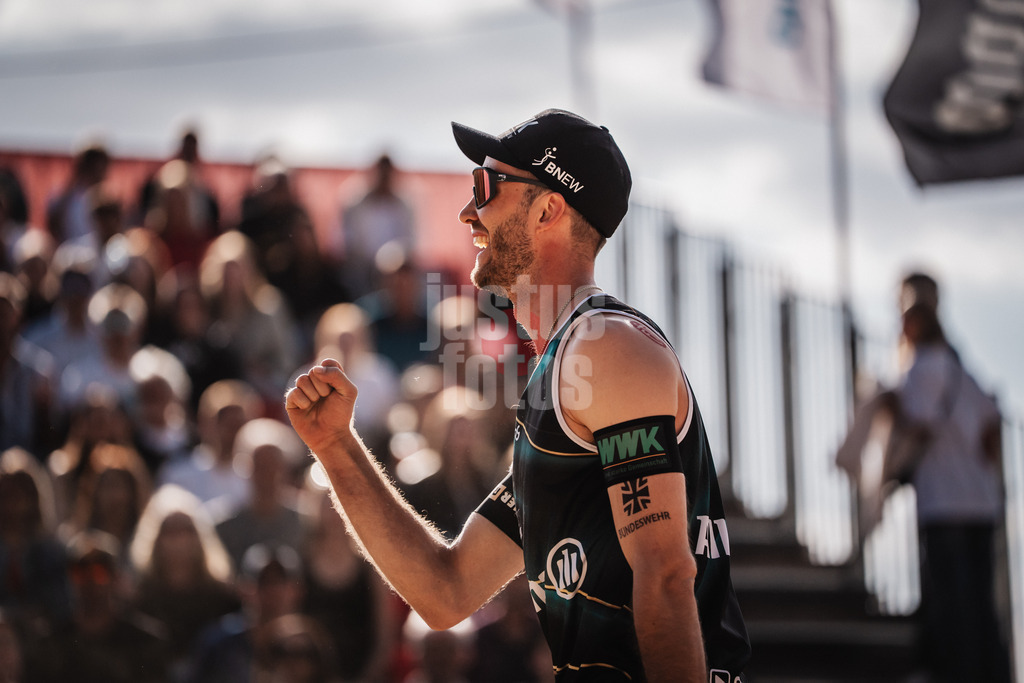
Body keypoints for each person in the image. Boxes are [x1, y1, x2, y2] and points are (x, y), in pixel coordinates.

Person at [287, 109, 750, 682]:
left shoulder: (606, 347)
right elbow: (445, 591)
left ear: (548, 209)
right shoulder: (567, 370)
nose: (468, 211)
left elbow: (666, 575)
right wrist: (335, 446)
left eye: (485, 187)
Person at [894, 272, 1011, 683]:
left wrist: (891, 414)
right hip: (981, 502)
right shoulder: (964, 372)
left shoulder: (919, 371)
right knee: (980, 609)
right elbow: (992, 429)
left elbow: (919, 427)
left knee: (951, 609)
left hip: (944, 504)